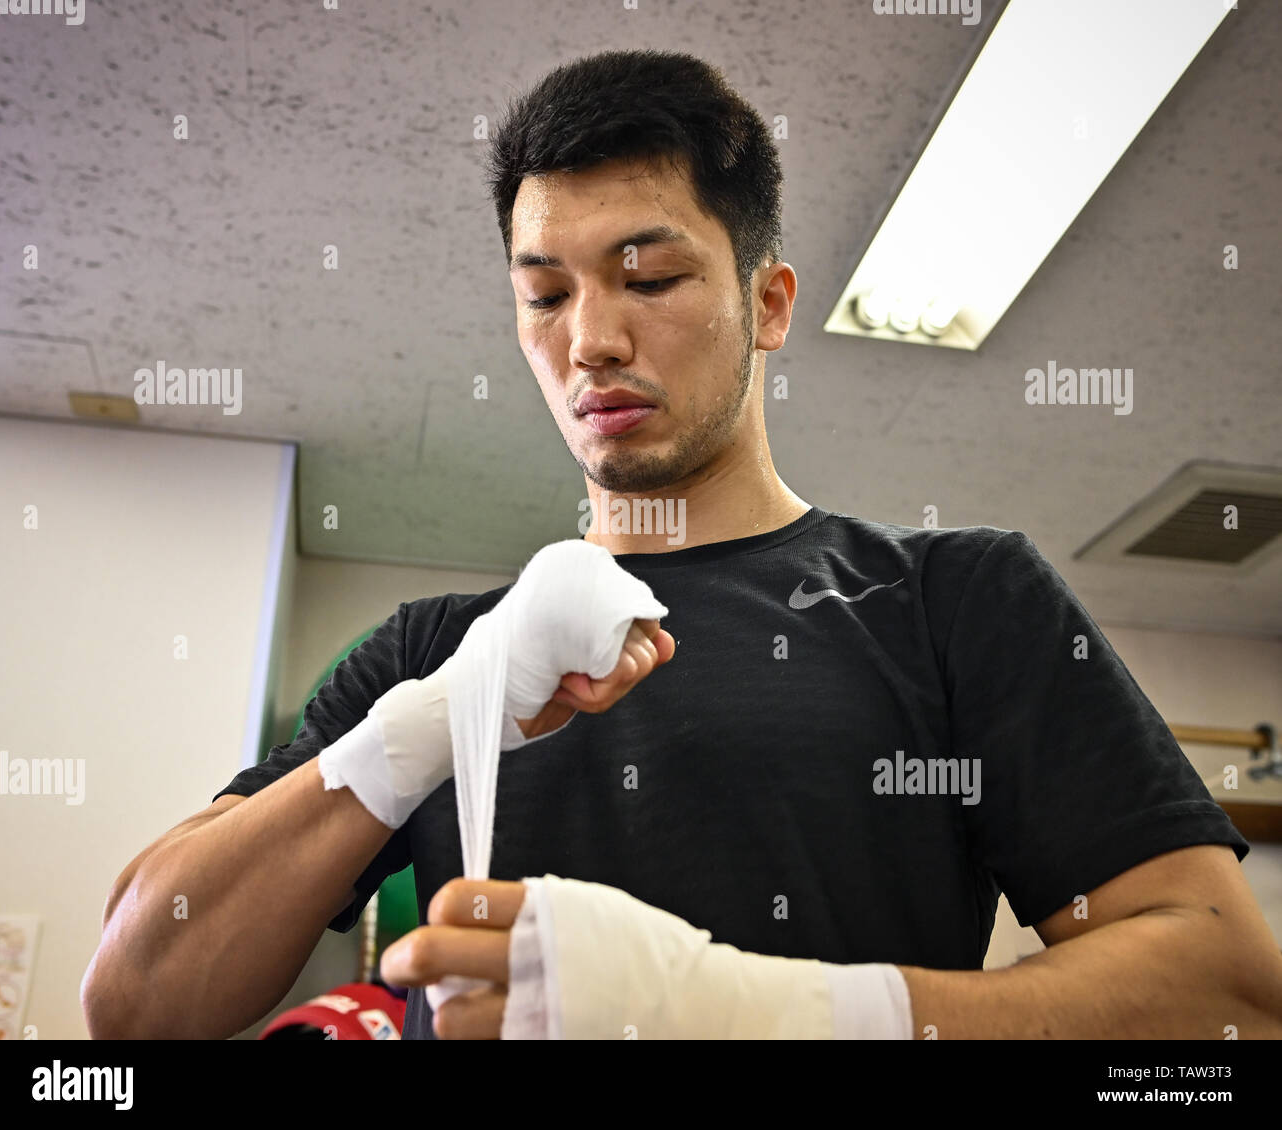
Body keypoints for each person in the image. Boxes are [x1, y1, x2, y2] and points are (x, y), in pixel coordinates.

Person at [82, 49, 1281, 1042]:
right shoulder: (433, 653)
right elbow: (134, 1001)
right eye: (545, 295)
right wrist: (433, 718)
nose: (591, 339)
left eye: (648, 276)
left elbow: (1225, 997)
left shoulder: (953, 600)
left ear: (768, 303)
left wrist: (754, 1013)